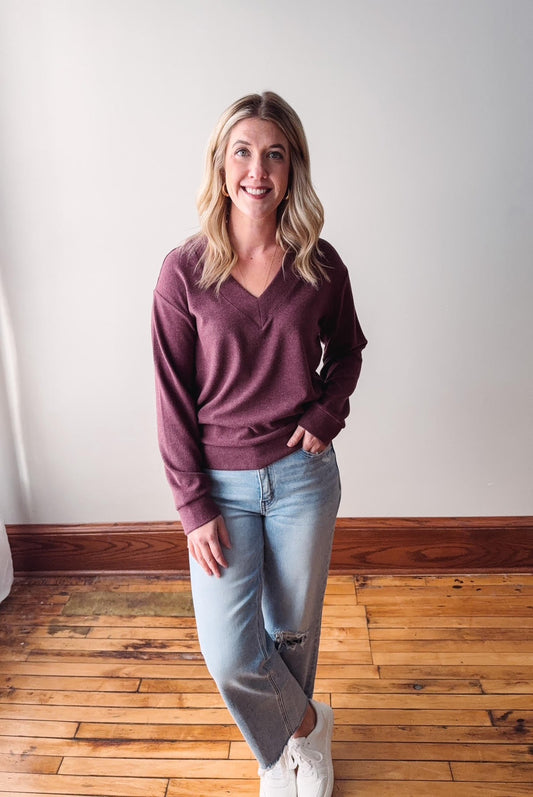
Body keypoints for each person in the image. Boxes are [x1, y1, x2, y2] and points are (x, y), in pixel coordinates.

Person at [152, 91, 367, 797]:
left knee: (292, 634)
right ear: (220, 167)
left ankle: (281, 760)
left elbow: (348, 353)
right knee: (229, 653)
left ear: (291, 169)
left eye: (274, 153)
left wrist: (326, 412)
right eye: (242, 151)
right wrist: (192, 506)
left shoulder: (318, 263)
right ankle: (305, 726)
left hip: (302, 477)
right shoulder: (182, 272)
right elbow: (171, 399)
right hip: (220, 487)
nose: (257, 169)